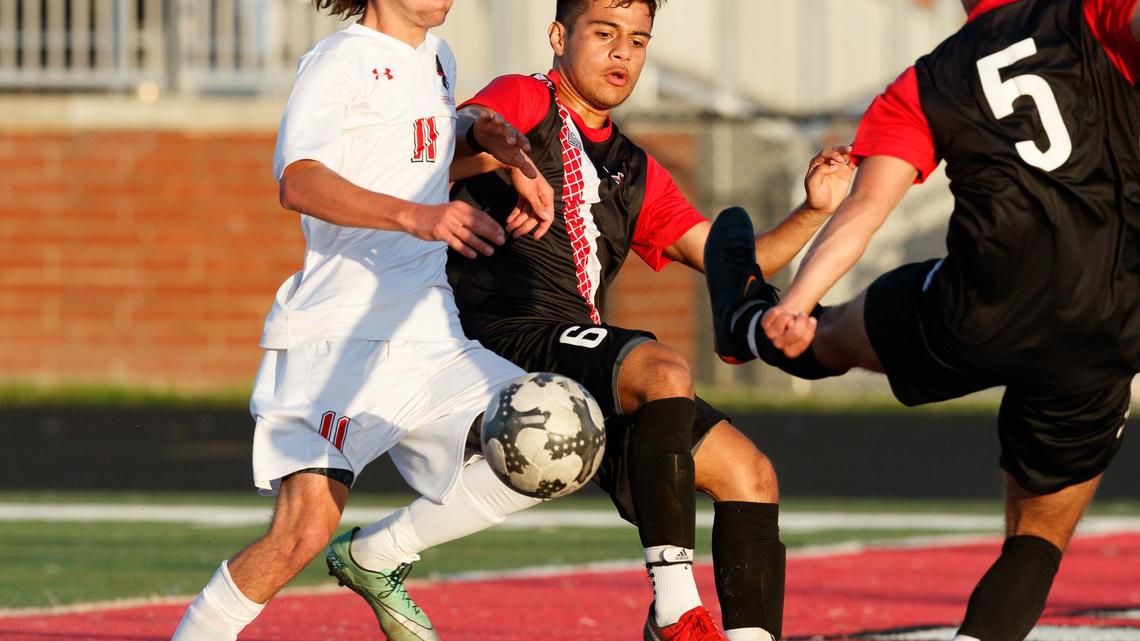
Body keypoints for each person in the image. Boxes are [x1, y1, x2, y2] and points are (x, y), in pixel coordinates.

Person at [703, 1, 1140, 640]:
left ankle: (749, 321)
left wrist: (796, 304)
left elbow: (866, 208)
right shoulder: (1093, 11)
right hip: (1108, 321)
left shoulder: (925, 81)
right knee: (1036, 537)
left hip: (980, 304)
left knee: (838, 333)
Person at [420, 2, 849, 640]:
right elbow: (470, 126)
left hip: (581, 351)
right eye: (604, 33)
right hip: (502, 334)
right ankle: (675, 611)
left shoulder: (633, 168)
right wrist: (505, 149)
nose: (623, 53)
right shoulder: (526, 97)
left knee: (749, 474)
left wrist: (814, 213)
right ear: (559, 37)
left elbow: (736, 262)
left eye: (638, 40)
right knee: (660, 366)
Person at [168, 1, 556, 640]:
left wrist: (499, 149)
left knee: (554, 440)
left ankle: (377, 555)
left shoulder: (438, 58)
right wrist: (419, 217)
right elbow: (300, 181)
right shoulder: (336, 62)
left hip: (430, 333)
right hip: (338, 334)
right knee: (301, 534)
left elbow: (419, 155)